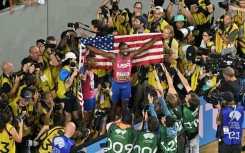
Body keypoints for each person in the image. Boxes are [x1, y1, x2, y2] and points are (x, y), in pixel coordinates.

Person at [87, 35, 161, 121]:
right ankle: (112, 124)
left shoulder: (131, 55)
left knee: (125, 107)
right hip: (116, 85)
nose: (126, 51)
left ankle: (124, 122)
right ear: (119, 49)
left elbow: (144, 48)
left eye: (127, 49)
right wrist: (88, 46)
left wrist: (156, 39)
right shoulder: (114, 56)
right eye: (123, 49)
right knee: (114, 106)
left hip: (126, 85)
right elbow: (101, 52)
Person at [56, 52, 79, 125]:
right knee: (68, 118)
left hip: (72, 96)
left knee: (76, 116)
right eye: (74, 60)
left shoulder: (71, 69)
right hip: (64, 97)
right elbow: (67, 85)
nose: (75, 62)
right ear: (69, 60)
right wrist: (73, 75)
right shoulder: (64, 71)